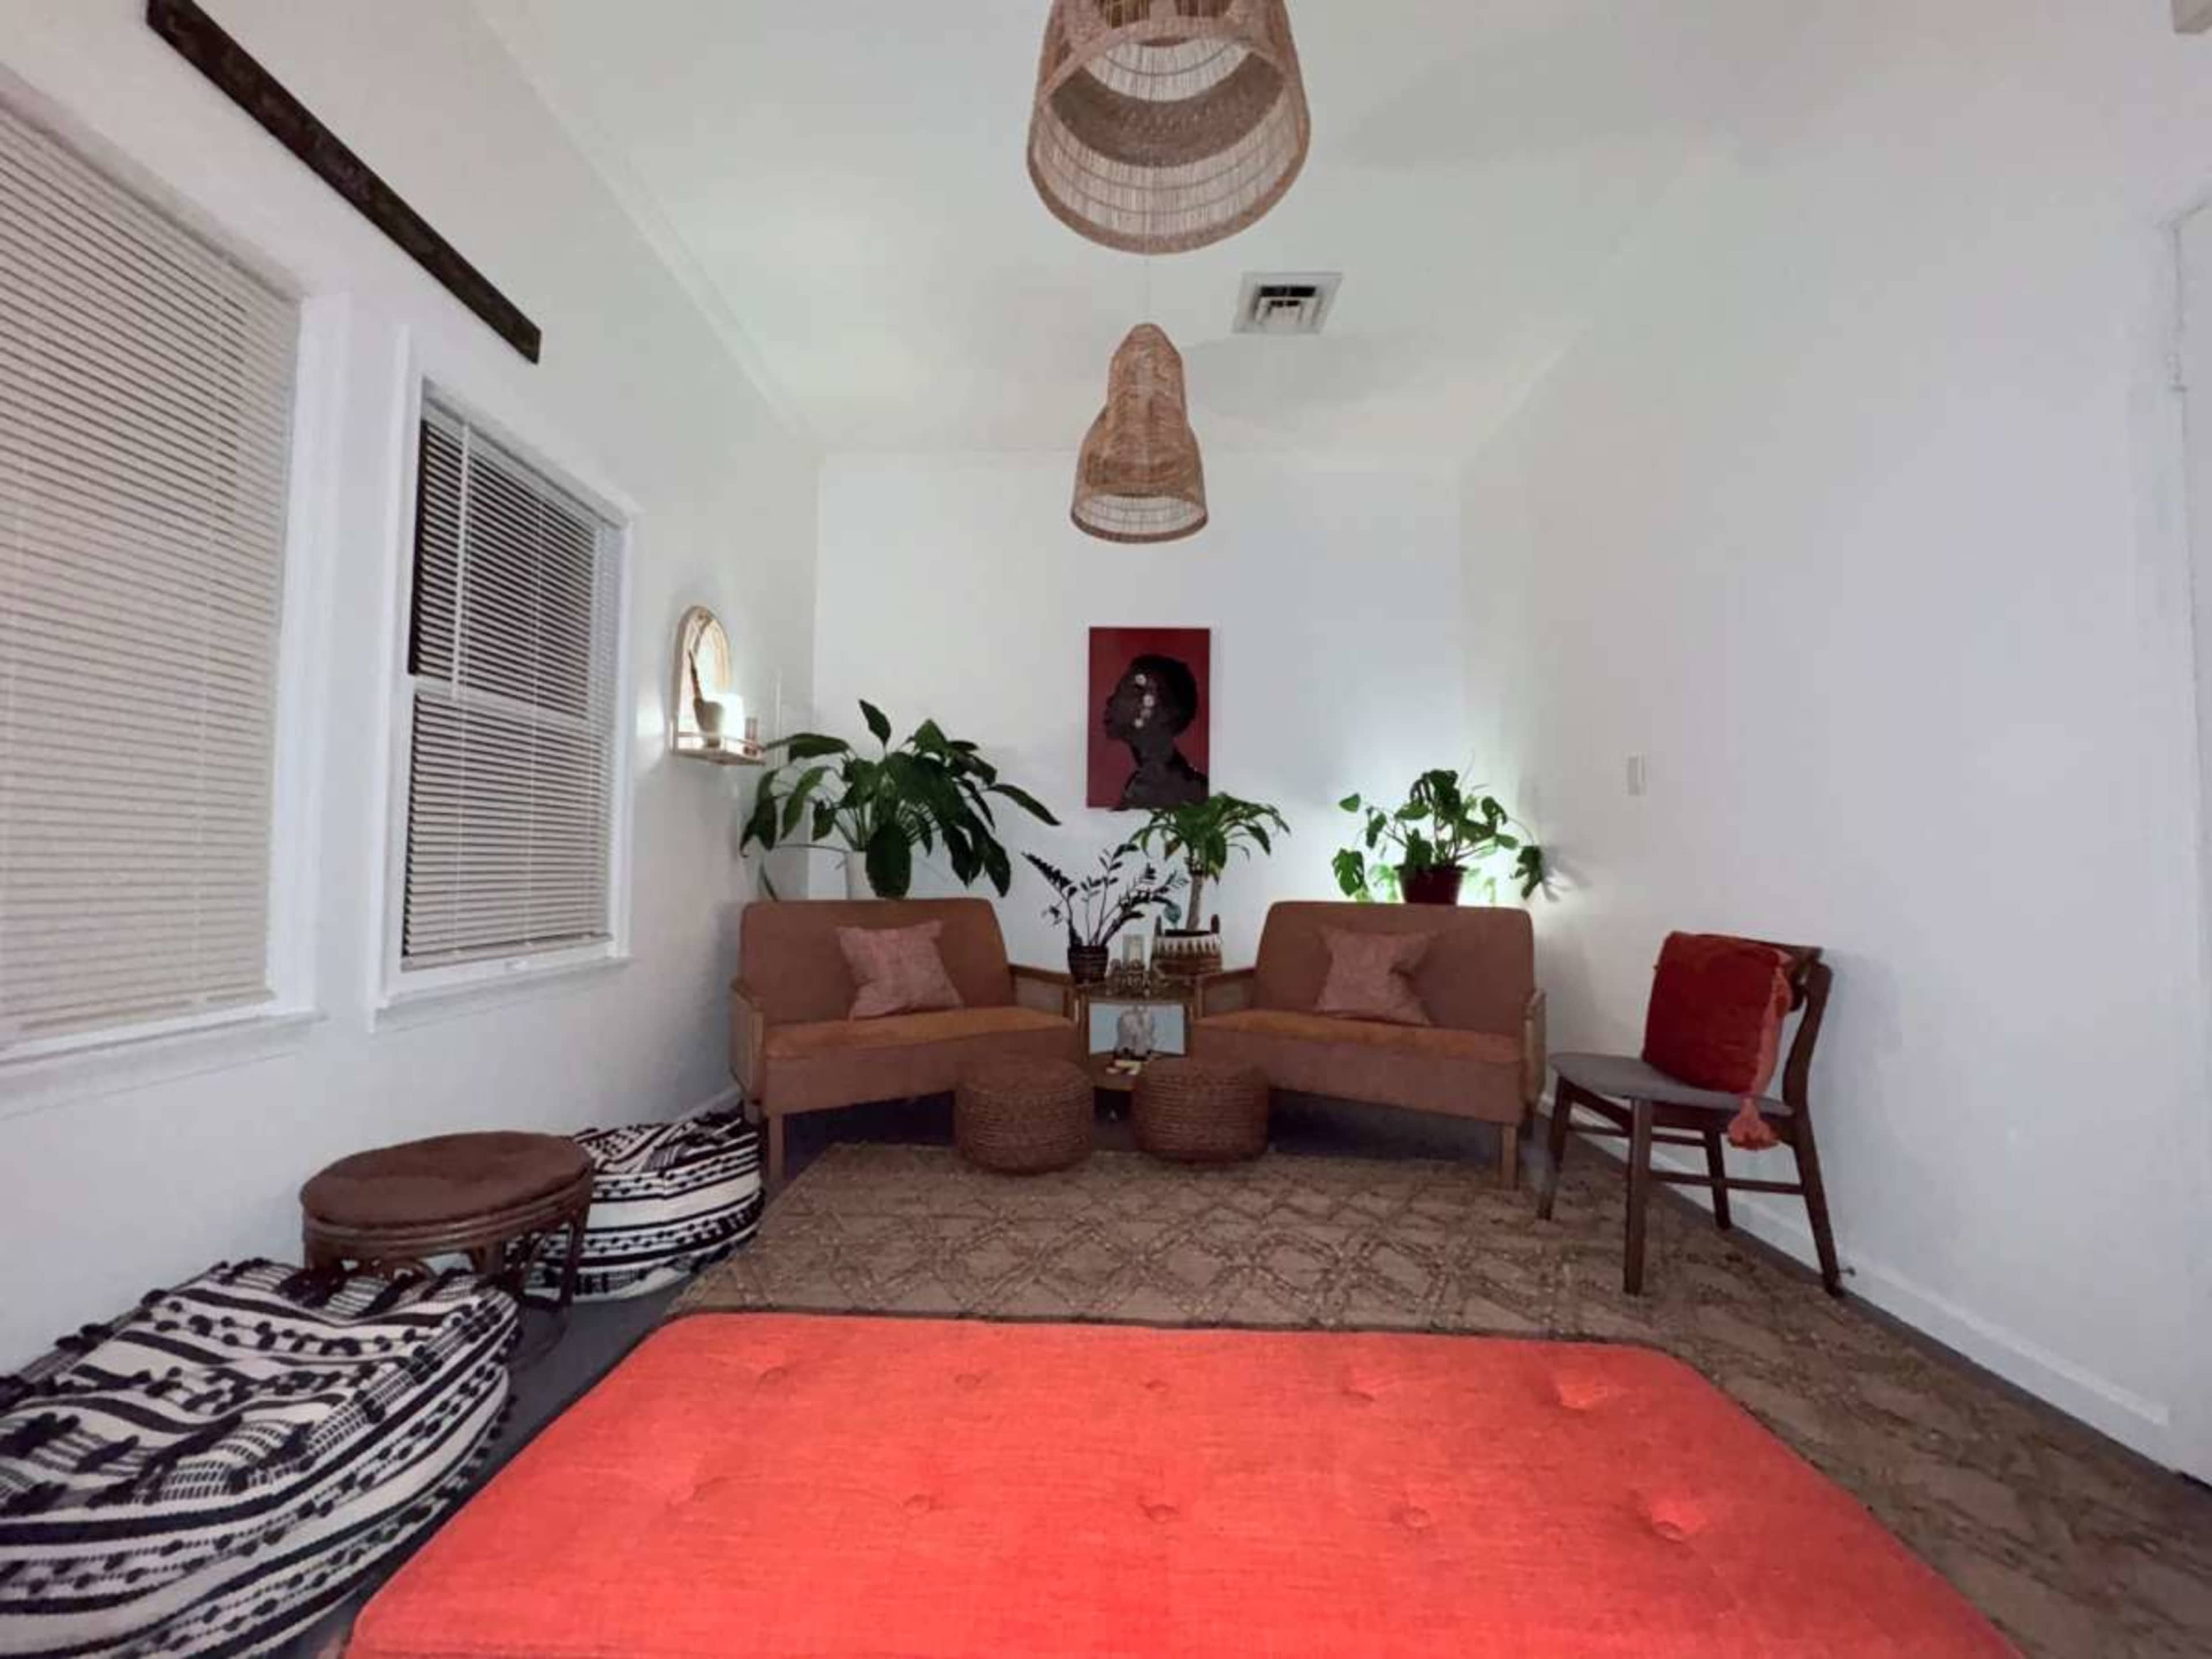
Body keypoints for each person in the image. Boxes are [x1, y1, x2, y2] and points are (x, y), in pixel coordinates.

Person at [1102, 653, 1207, 809]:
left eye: (1128, 691)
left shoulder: (1167, 786)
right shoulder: (1143, 782)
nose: (1110, 700)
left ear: (1165, 712)